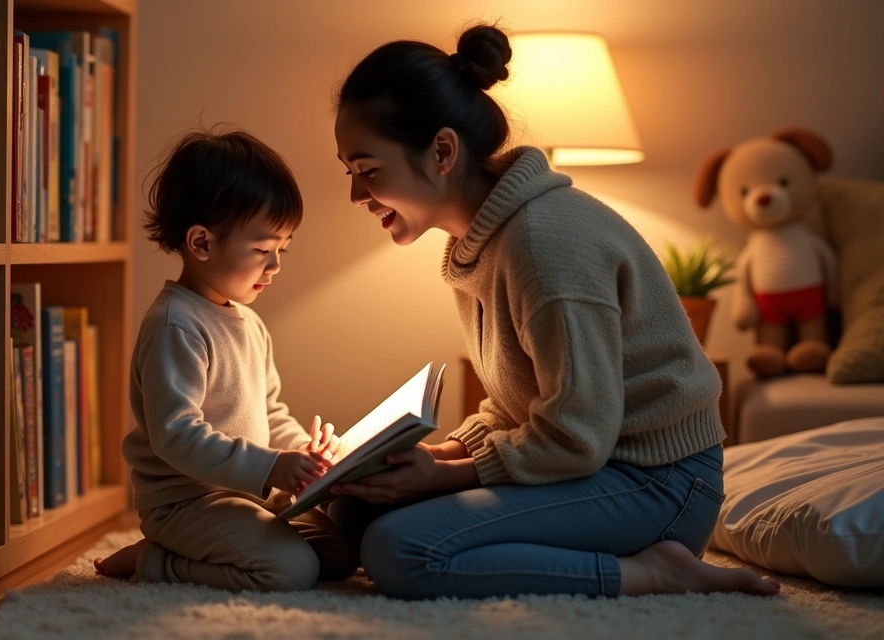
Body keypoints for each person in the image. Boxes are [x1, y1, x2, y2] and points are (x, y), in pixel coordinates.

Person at [328, 22, 781, 600]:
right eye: (350, 172)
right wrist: (442, 454)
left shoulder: (544, 245)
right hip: (594, 462)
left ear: (442, 151)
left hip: (658, 481)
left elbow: (577, 434)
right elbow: (526, 402)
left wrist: (447, 476)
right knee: (355, 519)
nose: (356, 195)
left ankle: (653, 572)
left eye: (368, 171)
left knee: (401, 550)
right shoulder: (480, 243)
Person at [93, 127, 354, 591]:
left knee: (340, 552)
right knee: (290, 569)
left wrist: (304, 457)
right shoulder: (175, 325)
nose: (275, 267)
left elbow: (269, 411)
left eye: (281, 251)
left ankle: (217, 542)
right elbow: (176, 434)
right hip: (188, 502)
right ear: (201, 243)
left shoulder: (248, 323)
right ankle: (156, 561)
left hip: (245, 494)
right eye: (261, 250)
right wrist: (270, 466)